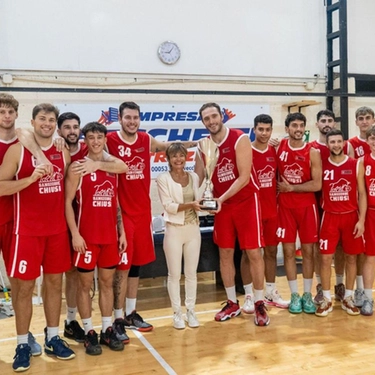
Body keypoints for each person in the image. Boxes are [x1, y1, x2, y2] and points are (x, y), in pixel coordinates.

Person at [106, 101, 197, 340]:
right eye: (128, 117)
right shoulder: (110, 141)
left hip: (143, 213)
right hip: (122, 214)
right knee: (122, 268)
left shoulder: (146, 140)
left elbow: (169, 147)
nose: (132, 121)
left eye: (136, 117)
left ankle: (131, 312)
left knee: (136, 265)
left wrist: (199, 143)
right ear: (120, 119)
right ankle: (117, 318)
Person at [0, 103, 75, 372]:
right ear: (32, 122)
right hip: (26, 232)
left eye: (51, 119)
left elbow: (67, 187)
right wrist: (30, 180)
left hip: (56, 232)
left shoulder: (62, 151)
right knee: (25, 290)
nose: (47, 123)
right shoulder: (17, 150)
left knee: (55, 285)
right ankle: (22, 343)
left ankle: (53, 337)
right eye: (42, 119)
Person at [194, 102, 269, 326]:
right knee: (225, 254)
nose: (211, 121)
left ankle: (259, 303)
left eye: (214, 116)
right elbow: (198, 178)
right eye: (206, 118)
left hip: (246, 202)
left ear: (222, 116)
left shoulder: (239, 138)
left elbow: (244, 177)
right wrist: (194, 198)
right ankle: (231, 302)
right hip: (221, 206)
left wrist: (220, 199)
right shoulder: (203, 146)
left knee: (253, 253)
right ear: (203, 122)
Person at [56, 112, 127, 343]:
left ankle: (107, 329)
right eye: (91, 138)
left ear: (106, 139)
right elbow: (67, 202)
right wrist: (75, 234)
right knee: (84, 286)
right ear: (85, 140)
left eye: (99, 137)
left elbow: (116, 198)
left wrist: (122, 231)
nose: (95, 141)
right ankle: (88, 331)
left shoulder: (112, 165)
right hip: (86, 237)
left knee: (107, 284)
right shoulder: (77, 167)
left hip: (109, 238)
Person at [315, 129, 366, 317]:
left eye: (338, 141)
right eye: (332, 142)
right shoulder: (321, 164)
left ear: (344, 143)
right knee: (326, 258)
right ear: (327, 144)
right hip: (329, 216)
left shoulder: (355, 164)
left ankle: (348, 297)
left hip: (350, 216)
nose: (336, 145)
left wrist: (361, 220)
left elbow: (362, 193)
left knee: (351, 258)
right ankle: (327, 298)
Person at [241, 114, 289, 313]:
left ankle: (270, 291)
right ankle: (249, 295)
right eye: (260, 129)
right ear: (254, 129)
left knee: (270, 252)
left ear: (271, 130)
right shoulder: (245, 151)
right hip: (250, 211)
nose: (264, 133)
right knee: (248, 253)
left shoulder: (274, 151)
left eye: (267, 129)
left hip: (271, 211)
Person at [277, 112, 322, 314]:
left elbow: (317, 183)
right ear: (287, 128)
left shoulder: (312, 151)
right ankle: (294, 295)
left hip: (306, 207)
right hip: (285, 207)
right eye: (294, 125)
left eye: (301, 125)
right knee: (287, 252)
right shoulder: (279, 148)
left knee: (308, 253)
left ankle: (307, 295)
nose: (298, 129)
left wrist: (293, 188)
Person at [156, 143, 202, 329]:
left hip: (193, 229)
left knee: (191, 274)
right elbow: (169, 206)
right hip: (174, 230)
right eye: (174, 156)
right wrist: (191, 204)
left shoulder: (194, 176)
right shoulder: (163, 178)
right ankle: (177, 313)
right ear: (168, 159)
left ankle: (191, 310)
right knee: (174, 275)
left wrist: (208, 206)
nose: (178, 159)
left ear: (186, 157)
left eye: (181, 156)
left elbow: (199, 202)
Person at [310, 110, 353, 304]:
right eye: (323, 121)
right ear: (317, 124)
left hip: (341, 205)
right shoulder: (312, 148)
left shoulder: (346, 147)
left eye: (329, 120)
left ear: (334, 123)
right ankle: (321, 286)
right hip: (318, 205)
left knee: (343, 247)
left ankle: (340, 284)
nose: (326, 123)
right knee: (321, 251)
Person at [348, 106, 375, 308]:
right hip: (367, 212)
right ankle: (363, 293)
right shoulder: (357, 156)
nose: (364, 121)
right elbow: (360, 191)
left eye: (368, 118)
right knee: (365, 255)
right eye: (361, 118)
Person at [359, 125, 375, 316]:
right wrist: (362, 219)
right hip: (370, 213)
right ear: (368, 140)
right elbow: (361, 193)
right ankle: (368, 299)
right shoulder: (362, 162)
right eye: (372, 138)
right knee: (370, 257)